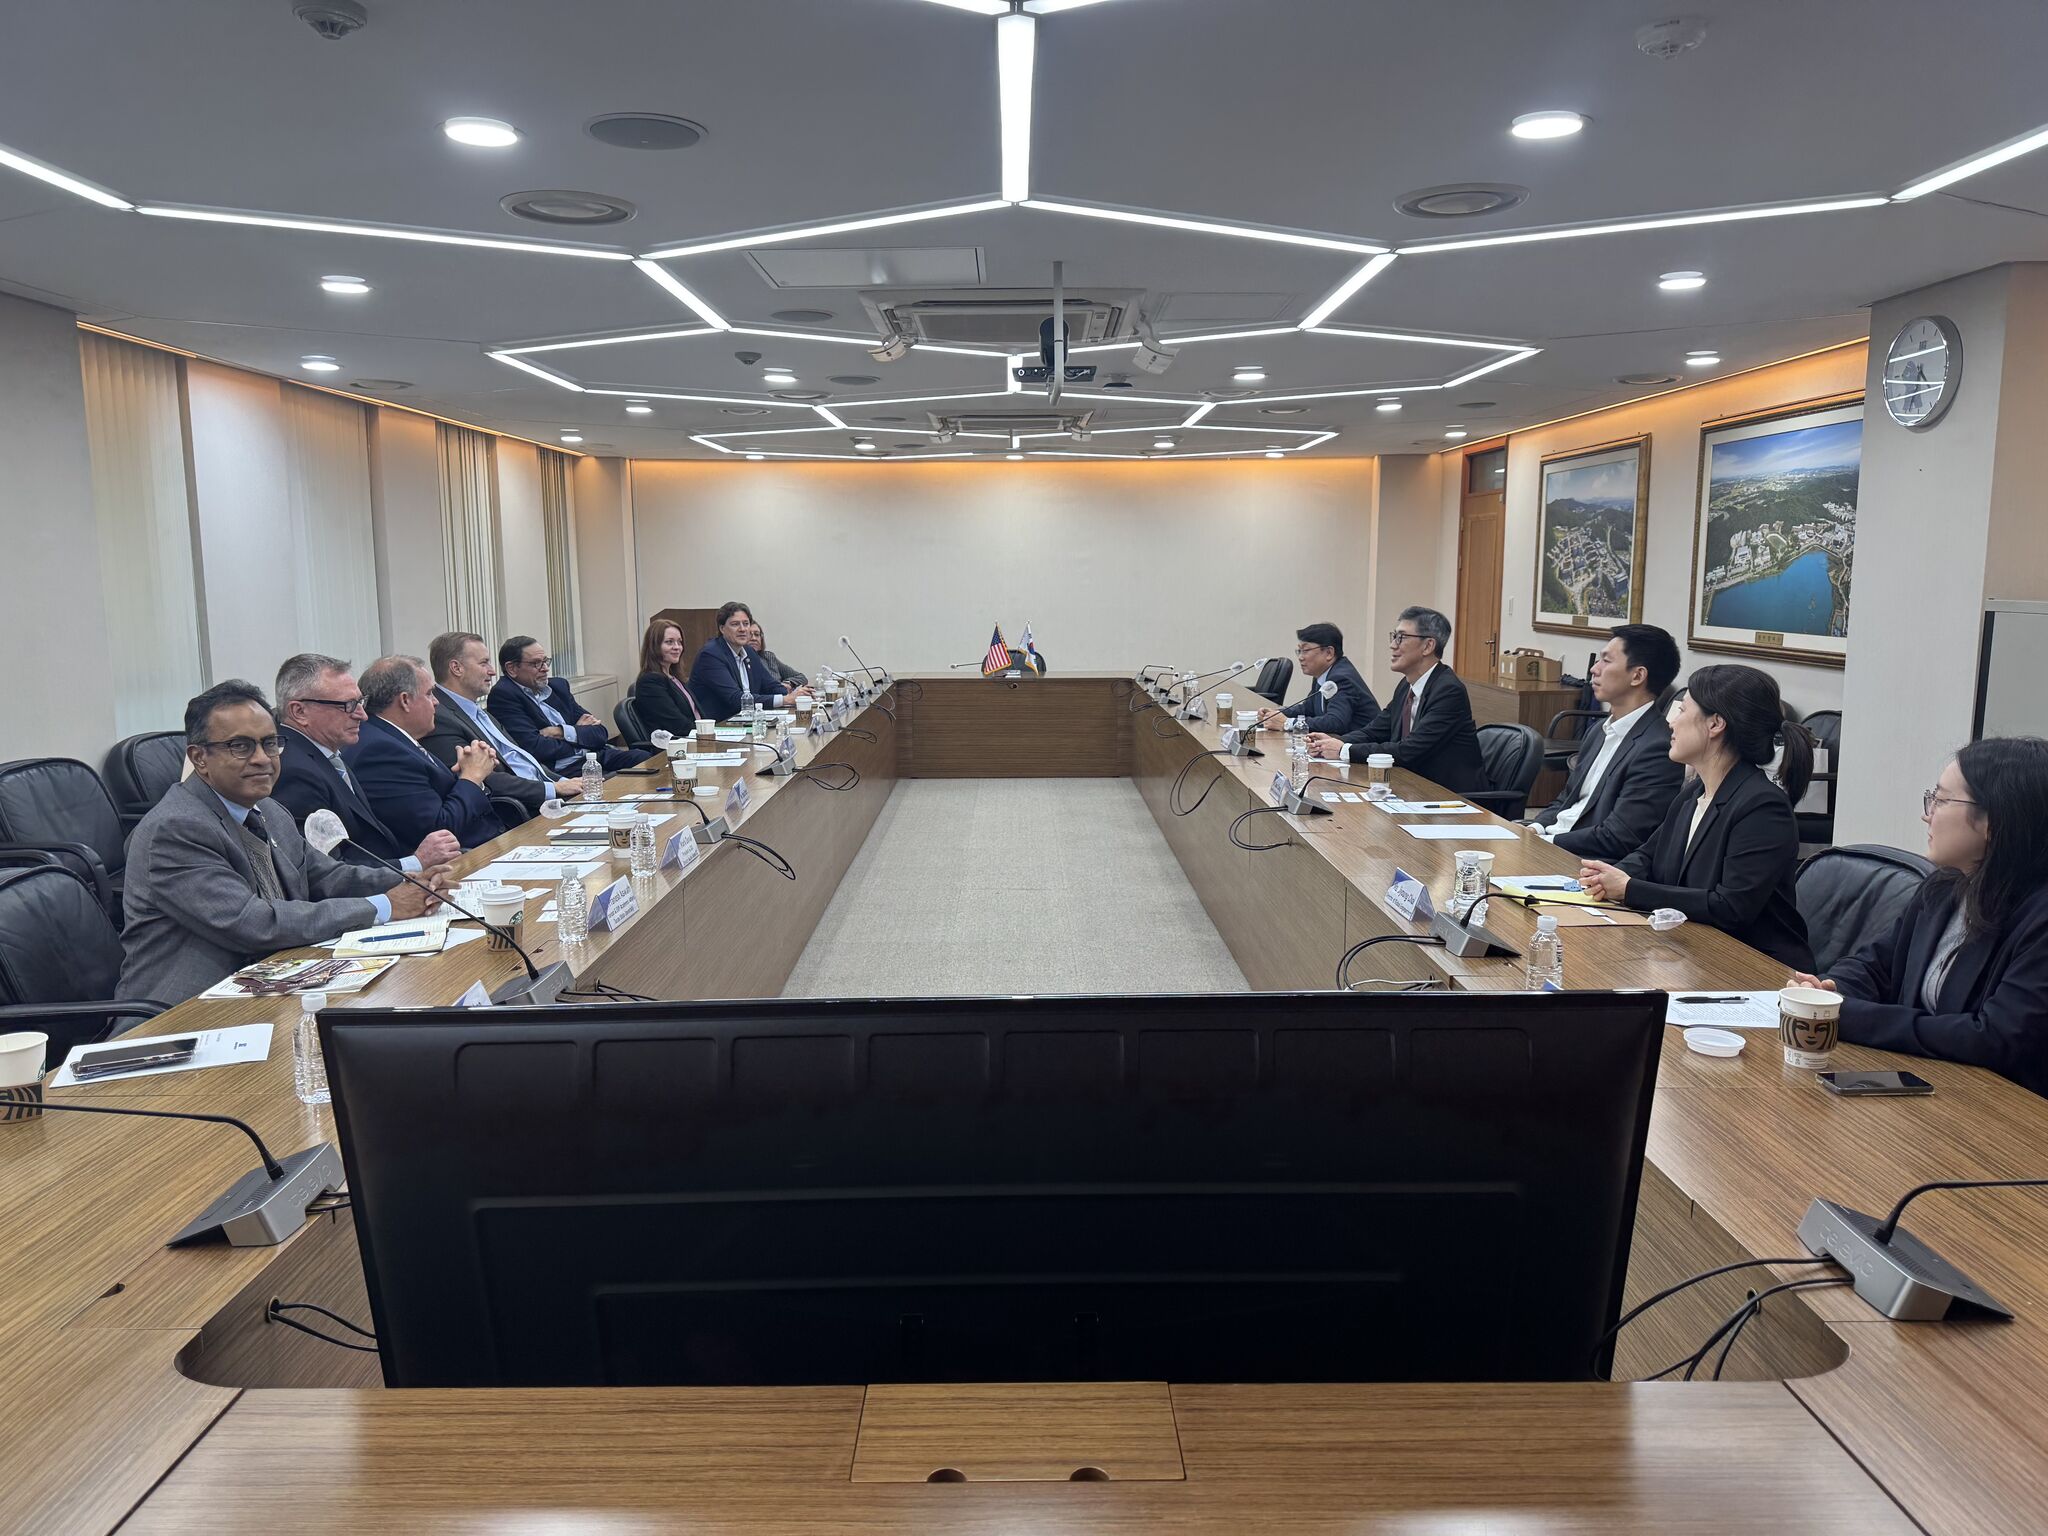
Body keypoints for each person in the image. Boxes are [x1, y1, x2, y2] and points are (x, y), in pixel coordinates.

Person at [117, 680, 444, 1004]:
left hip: (272, 981)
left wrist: (411, 882)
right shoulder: (176, 829)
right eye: (241, 746)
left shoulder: (269, 810)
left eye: (270, 743)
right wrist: (384, 906)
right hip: (188, 1011)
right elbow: (252, 923)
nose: (262, 758)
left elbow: (328, 876)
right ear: (199, 757)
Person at [1789, 737, 2048, 1097]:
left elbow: (1994, 1037)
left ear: (1993, 820)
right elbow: (1876, 966)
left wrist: (1847, 1017)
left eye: (1941, 800)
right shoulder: (1944, 887)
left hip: (2002, 1109)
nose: (1927, 814)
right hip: (1930, 1084)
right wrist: (1830, 991)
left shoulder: (2039, 918)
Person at [1578, 664, 1814, 969]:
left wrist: (1628, 888)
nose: (1671, 722)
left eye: (1682, 710)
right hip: (1690, 949)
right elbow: (1648, 857)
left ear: (1715, 724)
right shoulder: (1694, 792)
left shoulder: (1763, 807)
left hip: (1753, 966)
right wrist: (1604, 878)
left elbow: (1730, 908)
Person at [270, 652, 464, 874]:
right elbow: (328, 872)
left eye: (360, 702)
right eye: (348, 705)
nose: (362, 715)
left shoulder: (326, 753)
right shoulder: (294, 771)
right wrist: (416, 863)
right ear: (299, 711)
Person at [1526, 623, 1685, 860]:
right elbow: (1567, 798)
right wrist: (1534, 829)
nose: (1594, 669)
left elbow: (1619, 836)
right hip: (1552, 842)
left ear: (1637, 675)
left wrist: (1544, 843)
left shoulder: (1657, 748)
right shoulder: (1599, 731)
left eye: (1606, 661)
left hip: (1585, 860)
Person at [1306, 606, 1485, 792]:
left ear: (1428, 646)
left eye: (1401, 637)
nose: (1393, 645)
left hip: (1450, 796)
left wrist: (1344, 750)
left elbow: (1408, 750)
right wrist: (1332, 743)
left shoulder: (1448, 691)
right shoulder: (1406, 686)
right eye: (1394, 637)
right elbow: (1374, 731)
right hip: (1412, 787)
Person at [346, 655, 507, 851]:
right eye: (430, 694)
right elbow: (438, 832)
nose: (436, 702)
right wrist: (472, 777)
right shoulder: (380, 752)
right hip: (465, 857)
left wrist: (464, 777)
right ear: (405, 700)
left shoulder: (393, 738)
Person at [423, 632, 582, 819]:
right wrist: (554, 788)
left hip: (549, 796)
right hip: (523, 812)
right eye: (484, 663)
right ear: (456, 668)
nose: (492, 671)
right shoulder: (439, 717)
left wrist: (564, 782)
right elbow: (484, 777)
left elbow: (521, 759)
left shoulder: (475, 710)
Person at [488, 636, 646, 773]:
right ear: (512, 668)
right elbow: (535, 748)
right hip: (564, 770)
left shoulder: (558, 686)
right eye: (536, 664)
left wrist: (561, 732)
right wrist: (579, 735)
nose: (545, 669)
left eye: (545, 661)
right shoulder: (504, 695)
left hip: (594, 756)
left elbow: (600, 733)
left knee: (644, 759)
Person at [688, 602, 811, 721]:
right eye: (735, 624)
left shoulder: (749, 652)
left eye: (746, 624)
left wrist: (797, 695)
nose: (742, 629)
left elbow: (770, 685)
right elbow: (735, 699)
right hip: (720, 726)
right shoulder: (711, 655)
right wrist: (785, 700)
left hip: (747, 721)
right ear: (722, 628)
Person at [1256, 622, 1380, 738]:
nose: (1300, 657)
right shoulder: (1323, 674)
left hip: (1363, 748)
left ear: (1329, 653)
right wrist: (1277, 713)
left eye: (1305, 650)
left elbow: (1335, 722)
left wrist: (1288, 723)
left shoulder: (1341, 678)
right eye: (1299, 651)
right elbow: (1308, 708)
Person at [633, 618, 708, 738]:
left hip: (697, 738)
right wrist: (707, 735)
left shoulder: (675, 678)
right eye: (669, 642)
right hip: (677, 744)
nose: (677, 647)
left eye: (679, 642)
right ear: (654, 646)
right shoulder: (649, 682)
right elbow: (676, 725)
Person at [747, 620, 807, 688]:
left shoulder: (769, 657)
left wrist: (788, 683)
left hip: (782, 693)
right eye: (749, 634)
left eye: (757, 634)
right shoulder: (741, 661)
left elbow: (801, 677)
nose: (754, 638)